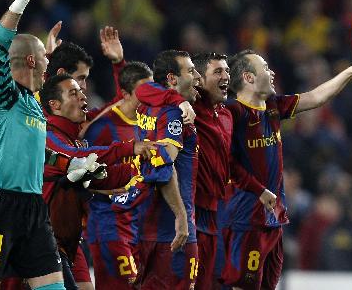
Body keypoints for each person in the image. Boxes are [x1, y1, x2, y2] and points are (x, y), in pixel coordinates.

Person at [135, 52, 276, 290]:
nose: (225, 77)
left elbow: (229, 163)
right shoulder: (189, 106)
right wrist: (178, 100)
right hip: (187, 211)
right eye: (217, 72)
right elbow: (144, 90)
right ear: (200, 80)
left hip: (214, 213)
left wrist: (258, 190)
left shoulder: (227, 114)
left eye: (227, 71)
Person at [219, 50, 352, 289]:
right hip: (246, 218)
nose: (272, 72)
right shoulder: (231, 113)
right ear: (249, 77)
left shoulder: (273, 106)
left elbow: (315, 97)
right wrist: (258, 190)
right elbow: (225, 162)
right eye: (264, 67)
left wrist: (349, 72)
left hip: (273, 219)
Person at [0, 0, 66, 290]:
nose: (49, 64)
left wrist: (46, 52)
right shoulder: (2, 95)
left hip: (34, 208)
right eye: (44, 59)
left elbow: (32, 71)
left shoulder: (32, 100)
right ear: (31, 61)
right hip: (2, 201)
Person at [39, 74, 163, 289]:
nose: (82, 95)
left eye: (81, 91)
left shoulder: (75, 140)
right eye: (73, 93)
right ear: (55, 105)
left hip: (69, 244)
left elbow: (103, 178)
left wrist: (142, 168)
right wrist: (128, 147)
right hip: (44, 242)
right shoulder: (48, 137)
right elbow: (77, 159)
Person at [82, 61, 153, 289]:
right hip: (108, 224)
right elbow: (78, 175)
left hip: (140, 224)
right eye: (144, 92)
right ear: (125, 94)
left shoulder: (151, 124)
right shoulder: (102, 128)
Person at [133, 50, 200, 289]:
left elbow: (141, 89)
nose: (198, 76)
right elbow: (164, 164)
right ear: (172, 79)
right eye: (191, 71)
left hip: (143, 225)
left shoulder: (146, 105)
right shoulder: (174, 114)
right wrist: (182, 218)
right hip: (172, 230)